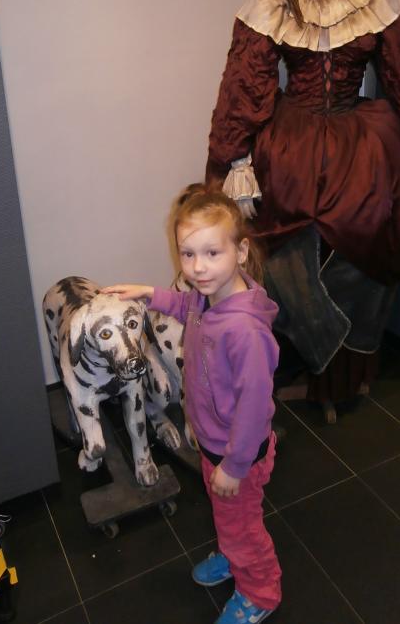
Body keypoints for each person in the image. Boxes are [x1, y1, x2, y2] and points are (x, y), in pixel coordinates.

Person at [205, 0, 400, 423]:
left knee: (362, 249)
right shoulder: (273, 4)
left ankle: (342, 376)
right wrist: (235, 159)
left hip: (362, 150)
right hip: (288, 147)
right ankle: (305, 361)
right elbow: (243, 88)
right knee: (286, 256)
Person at [102, 187, 281, 624]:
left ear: (241, 252)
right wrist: (148, 293)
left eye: (212, 253)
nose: (198, 267)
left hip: (237, 455)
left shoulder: (245, 332)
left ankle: (259, 592)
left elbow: (254, 409)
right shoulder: (211, 296)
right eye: (188, 254)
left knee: (244, 526)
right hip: (215, 441)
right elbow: (186, 305)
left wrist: (234, 466)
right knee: (228, 517)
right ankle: (232, 552)